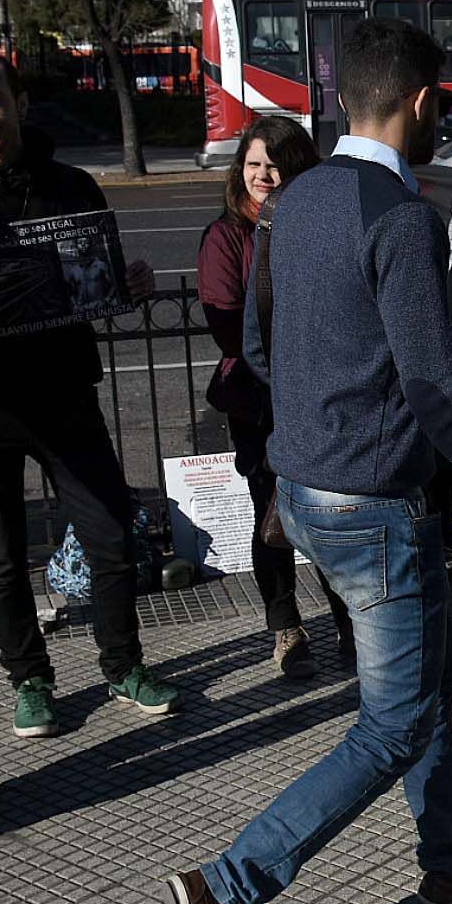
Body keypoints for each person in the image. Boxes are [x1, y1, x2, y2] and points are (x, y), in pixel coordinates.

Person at [159, 19, 452, 904]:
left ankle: (449, 857)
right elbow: (439, 390)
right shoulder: (399, 218)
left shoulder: (293, 203)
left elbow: (263, 351)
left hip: (306, 492)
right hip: (376, 511)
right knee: (392, 722)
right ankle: (228, 884)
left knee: (433, 680)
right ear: (424, 102)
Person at [0, 53, 177, 738]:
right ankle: (29, 679)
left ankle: (122, 665)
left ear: (20, 100)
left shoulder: (71, 185)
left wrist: (128, 285)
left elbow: (98, 282)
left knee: (112, 536)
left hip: (64, 393)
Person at [196, 116, 355, 680]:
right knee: (273, 515)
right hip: (259, 399)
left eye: (275, 163)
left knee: (335, 513)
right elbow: (227, 328)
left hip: (319, 394)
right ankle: (286, 627)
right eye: (253, 164)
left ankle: (349, 623)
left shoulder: (317, 225)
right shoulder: (226, 236)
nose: (264, 174)